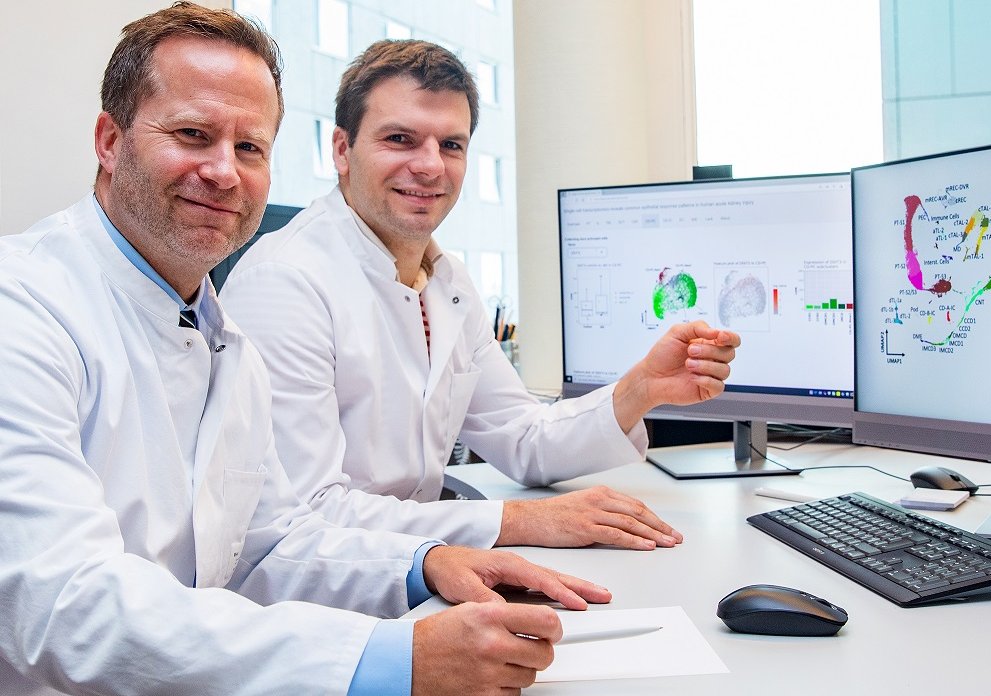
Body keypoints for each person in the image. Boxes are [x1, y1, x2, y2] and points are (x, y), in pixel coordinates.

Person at [0, 4, 610, 695]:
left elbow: (267, 546)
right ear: (110, 141)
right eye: (193, 134)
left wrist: (423, 563)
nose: (224, 172)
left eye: (250, 148)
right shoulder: (23, 310)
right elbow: (61, 608)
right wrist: (383, 659)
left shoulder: (220, 339)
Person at [219, 39, 742, 550]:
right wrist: (519, 521)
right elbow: (311, 515)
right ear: (341, 150)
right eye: (400, 139)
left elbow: (523, 439)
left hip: (417, 565)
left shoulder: (446, 282)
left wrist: (642, 388)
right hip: (325, 595)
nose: (429, 166)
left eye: (451, 145)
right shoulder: (285, 281)